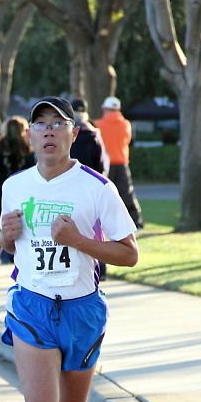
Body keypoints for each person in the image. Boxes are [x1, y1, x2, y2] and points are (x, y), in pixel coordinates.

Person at [0, 96, 138, 402]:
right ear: (31, 136)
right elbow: (6, 248)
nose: (49, 132)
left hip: (81, 311)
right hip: (32, 307)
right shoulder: (14, 186)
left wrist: (78, 241)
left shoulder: (97, 188)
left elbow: (129, 253)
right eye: (40, 125)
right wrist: (4, 236)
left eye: (58, 124)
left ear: (74, 133)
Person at [0, 116, 35, 276]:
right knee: (26, 227)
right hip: (23, 192)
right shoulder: (27, 148)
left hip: (0, 192)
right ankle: (26, 265)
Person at [70, 98, 109, 279]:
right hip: (91, 188)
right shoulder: (94, 134)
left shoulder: (67, 134)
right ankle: (100, 269)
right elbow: (101, 165)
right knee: (95, 230)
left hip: (69, 187)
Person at [94, 96, 143, 230]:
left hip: (105, 164)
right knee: (127, 193)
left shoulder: (98, 125)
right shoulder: (126, 124)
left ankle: (102, 223)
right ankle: (136, 222)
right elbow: (127, 140)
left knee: (102, 195)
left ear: (105, 109)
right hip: (122, 162)